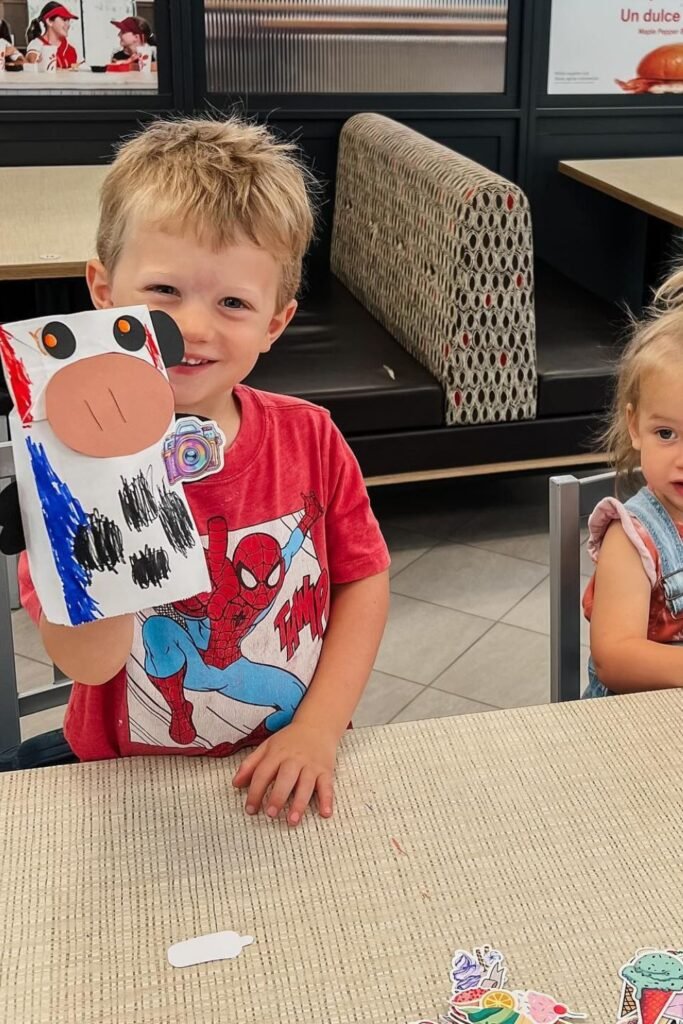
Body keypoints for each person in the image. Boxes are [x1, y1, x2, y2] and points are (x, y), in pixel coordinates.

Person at [17, 116, 391, 825]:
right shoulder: (69, 467)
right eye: (163, 291)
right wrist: (86, 508)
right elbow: (90, 664)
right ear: (103, 290)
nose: (193, 327)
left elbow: (363, 578)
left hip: (288, 760)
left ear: (274, 323)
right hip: (127, 782)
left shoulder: (310, 437)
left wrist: (318, 727)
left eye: (233, 303)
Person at [583, 266, 683, 697]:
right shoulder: (633, 537)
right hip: (631, 722)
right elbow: (615, 659)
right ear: (635, 426)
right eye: (666, 433)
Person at [25, 2, 79, 69]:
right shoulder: (36, 45)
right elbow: (32, 60)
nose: (68, 25)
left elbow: (83, 68)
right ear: (49, 21)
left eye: (68, 20)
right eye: (64, 19)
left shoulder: (71, 48)